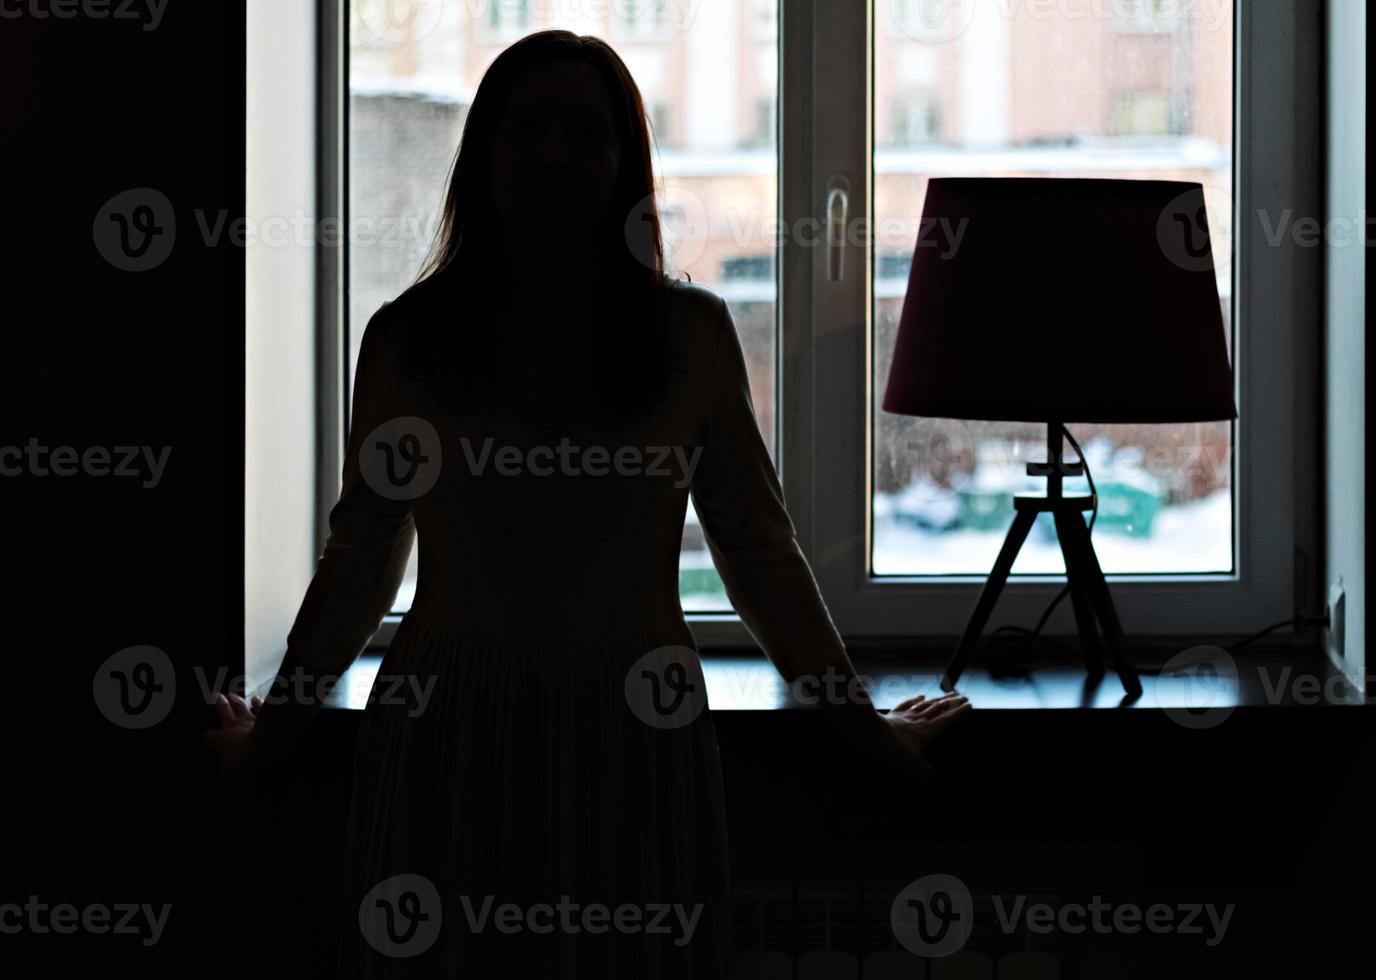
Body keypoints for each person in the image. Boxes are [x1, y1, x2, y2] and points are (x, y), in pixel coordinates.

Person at [206, 30, 969, 977]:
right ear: (482, 152)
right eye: (526, 130)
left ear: (625, 161)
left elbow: (760, 558)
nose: (555, 156)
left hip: (634, 732)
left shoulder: (689, 335)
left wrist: (866, 729)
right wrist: (268, 743)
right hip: (452, 731)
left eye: (585, 132)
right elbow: (360, 563)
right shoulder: (408, 339)